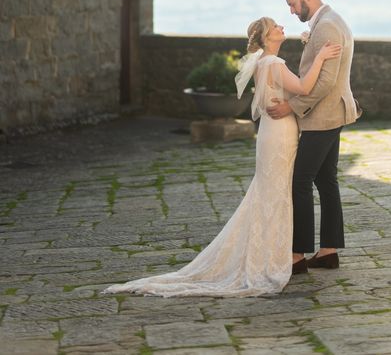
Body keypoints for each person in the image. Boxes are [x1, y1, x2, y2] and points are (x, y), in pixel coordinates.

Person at [102, 17, 341, 298]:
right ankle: (283, 254)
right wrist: (322, 56)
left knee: (270, 191)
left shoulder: (263, 62)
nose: (281, 27)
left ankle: (285, 253)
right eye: (275, 26)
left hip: (270, 130)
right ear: (265, 38)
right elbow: (303, 88)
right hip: (280, 132)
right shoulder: (273, 64)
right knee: (277, 191)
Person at [267, 0, 360, 274]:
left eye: (293, 4)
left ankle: (297, 256)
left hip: (323, 116)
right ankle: (329, 251)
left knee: (300, 181)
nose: (292, 12)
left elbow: (324, 82)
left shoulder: (328, 26)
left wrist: (291, 107)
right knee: (326, 181)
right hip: (335, 113)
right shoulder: (330, 21)